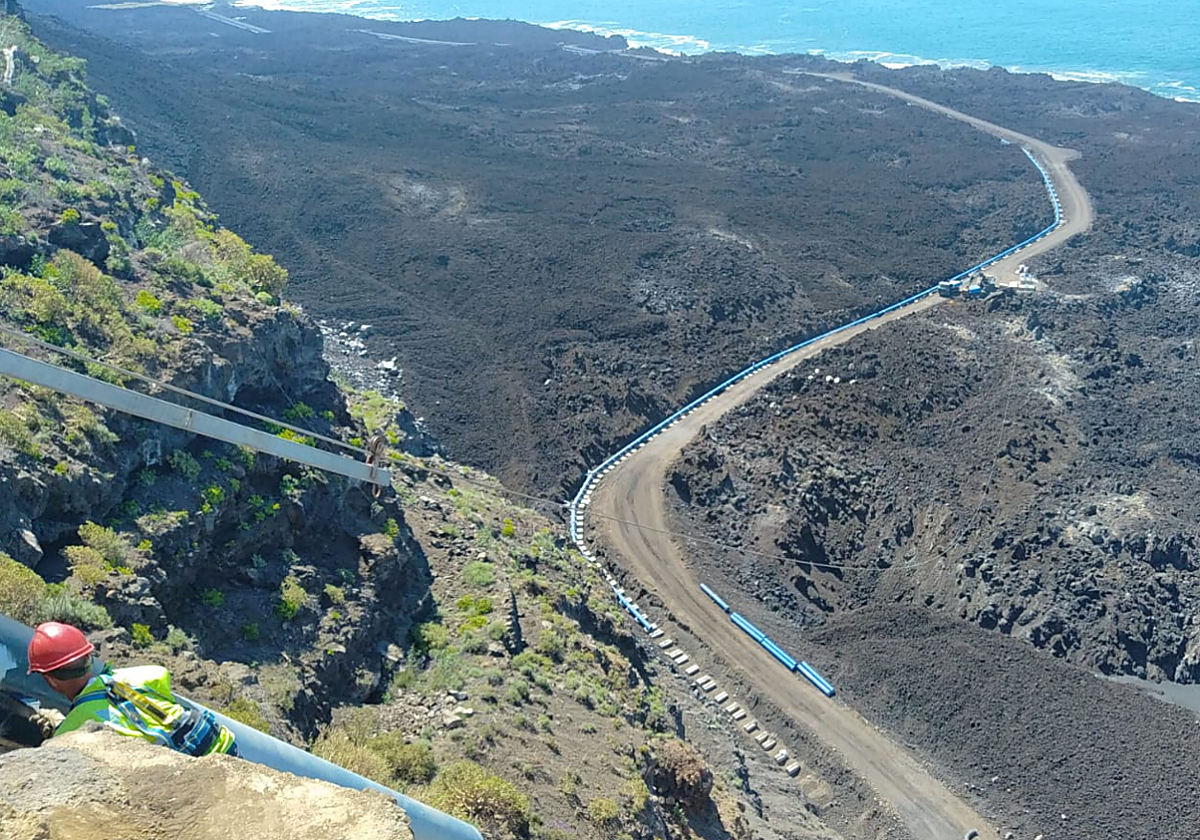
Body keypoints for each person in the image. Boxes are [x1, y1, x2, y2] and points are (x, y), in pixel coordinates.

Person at [26, 621, 238, 757]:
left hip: (194, 767)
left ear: (51, 680)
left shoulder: (73, 727)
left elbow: (61, 750)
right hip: (223, 744)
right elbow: (160, 673)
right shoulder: (128, 678)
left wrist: (59, 729)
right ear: (88, 657)